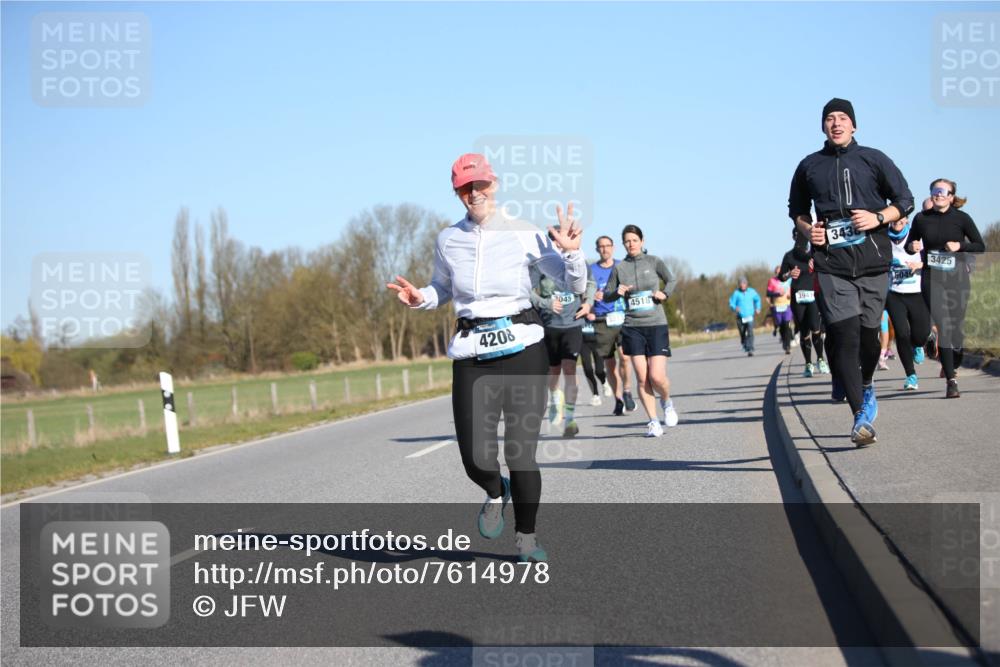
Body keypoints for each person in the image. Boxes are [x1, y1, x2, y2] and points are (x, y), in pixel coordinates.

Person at [387, 153, 586, 562]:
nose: (473, 193)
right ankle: (496, 491)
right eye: (464, 187)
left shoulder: (524, 232)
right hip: (472, 354)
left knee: (520, 452)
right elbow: (443, 287)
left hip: (523, 348)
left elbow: (571, 282)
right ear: (457, 193)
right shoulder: (447, 239)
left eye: (479, 184)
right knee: (474, 458)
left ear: (493, 184)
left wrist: (570, 253)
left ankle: (526, 539)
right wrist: (421, 297)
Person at [788, 98, 914, 446]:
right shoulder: (809, 166)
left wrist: (878, 217)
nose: (836, 123)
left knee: (869, 337)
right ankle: (860, 416)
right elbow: (796, 210)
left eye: (843, 118)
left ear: (854, 125)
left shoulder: (874, 159)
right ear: (823, 127)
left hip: (873, 260)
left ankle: (868, 381)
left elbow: (905, 199)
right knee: (843, 336)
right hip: (832, 263)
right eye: (830, 118)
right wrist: (807, 229)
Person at [907, 179, 986, 398]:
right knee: (944, 326)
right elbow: (910, 243)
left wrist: (960, 246)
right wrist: (912, 246)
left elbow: (980, 246)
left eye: (943, 191)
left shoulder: (961, 219)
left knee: (956, 327)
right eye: (934, 191)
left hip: (957, 278)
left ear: (951, 196)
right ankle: (951, 380)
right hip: (932, 278)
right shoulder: (921, 219)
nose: (938, 194)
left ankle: (956, 355)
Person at [601, 225, 678, 437]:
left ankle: (667, 402)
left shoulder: (654, 261)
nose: (631, 244)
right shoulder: (620, 268)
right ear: (623, 244)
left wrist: (665, 293)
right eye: (627, 241)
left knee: (657, 376)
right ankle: (653, 421)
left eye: (634, 240)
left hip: (656, 324)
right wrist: (617, 292)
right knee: (643, 378)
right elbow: (606, 295)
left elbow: (671, 280)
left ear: (642, 241)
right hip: (632, 326)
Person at [530, 255, 594, 437]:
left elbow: (590, 282)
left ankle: (570, 419)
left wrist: (588, 303)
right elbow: (525, 289)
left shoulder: (577, 260)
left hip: (573, 324)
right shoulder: (540, 264)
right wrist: (545, 303)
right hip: (549, 326)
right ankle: (554, 397)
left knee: (570, 368)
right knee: (553, 371)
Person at [589, 236, 636, 416]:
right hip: (603, 320)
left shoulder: (622, 265)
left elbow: (633, 286)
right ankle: (618, 399)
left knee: (625, 356)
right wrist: (591, 301)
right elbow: (584, 291)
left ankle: (627, 391)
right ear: (597, 249)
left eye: (608, 246)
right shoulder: (591, 269)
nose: (605, 249)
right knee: (610, 364)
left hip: (623, 317)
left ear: (613, 248)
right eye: (601, 246)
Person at [885, 213, 931, 390]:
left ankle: (918, 345)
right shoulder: (883, 239)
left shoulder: (918, 237)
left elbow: (932, 259)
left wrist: (919, 265)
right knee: (902, 334)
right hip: (894, 294)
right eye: (894, 218)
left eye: (901, 218)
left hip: (917, 292)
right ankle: (911, 375)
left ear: (907, 220)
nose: (897, 221)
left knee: (921, 333)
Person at [780, 230, 830, 377]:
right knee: (804, 331)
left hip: (813, 295)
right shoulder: (789, 256)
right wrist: (789, 274)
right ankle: (808, 364)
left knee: (816, 329)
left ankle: (820, 360)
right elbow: (781, 276)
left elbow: (827, 267)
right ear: (793, 238)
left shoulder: (815, 253)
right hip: (798, 298)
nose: (800, 239)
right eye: (797, 236)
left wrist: (817, 265)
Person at [729, 277, 761, 356]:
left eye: (744, 283)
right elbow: (731, 303)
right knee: (742, 332)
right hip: (740, 316)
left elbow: (757, 299)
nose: (742, 285)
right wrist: (734, 307)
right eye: (741, 283)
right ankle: (744, 342)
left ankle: (750, 348)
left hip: (750, 315)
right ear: (739, 285)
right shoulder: (736, 293)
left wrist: (758, 308)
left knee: (750, 331)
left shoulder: (752, 291)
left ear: (746, 284)